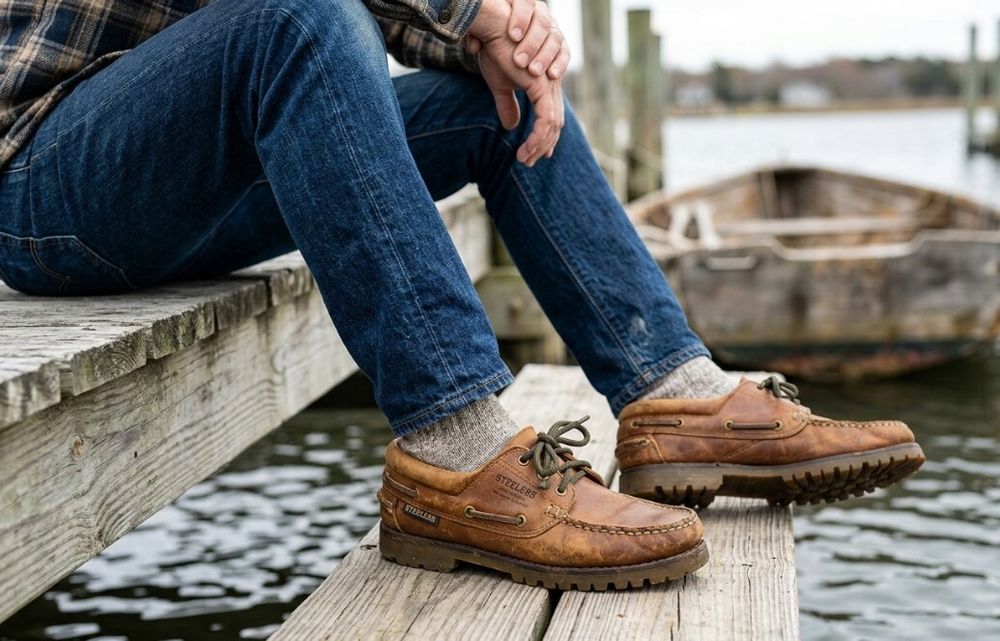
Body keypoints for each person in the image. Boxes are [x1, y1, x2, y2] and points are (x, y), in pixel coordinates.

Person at [0, 0, 924, 591]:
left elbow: (410, 23)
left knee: (497, 103)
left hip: (196, 177)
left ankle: (671, 396)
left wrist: (508, 29)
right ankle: (454, 452)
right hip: (48, 183)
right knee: (298, 15)